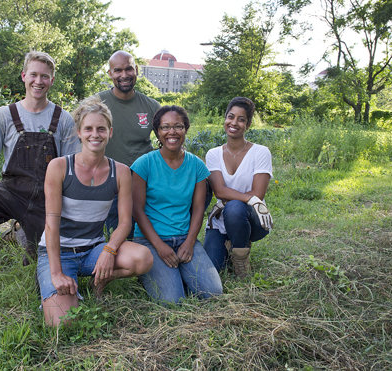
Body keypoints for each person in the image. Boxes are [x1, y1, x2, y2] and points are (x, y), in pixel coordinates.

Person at [0, 51, 80, 274]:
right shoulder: (5, 114)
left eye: (45, 76)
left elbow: (72, 167)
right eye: (33, 75)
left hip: (47, 199)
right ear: (23, 76)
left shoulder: (64, 118)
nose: (38, 81)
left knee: (38, 265)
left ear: (52, 80)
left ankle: (20, 233)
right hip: (11, 192)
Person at [37, 96, 153, 326]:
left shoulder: (120, 172)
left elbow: (124, 223)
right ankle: (53, 279)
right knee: (63, 324)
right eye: (88, 128)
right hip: (61, 252)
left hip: (94, 250)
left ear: (110, 132)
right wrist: (57, 272)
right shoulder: (60, 167)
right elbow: (51, 225)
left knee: (143, 258)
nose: (95, 134)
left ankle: (97, 280)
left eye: (101, 129)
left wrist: (109, 250)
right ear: (79, 132)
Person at [131, 105, 222, 304]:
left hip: (183, 237)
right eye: (165, 127)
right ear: (157, 132)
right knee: (172, 301)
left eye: (178, 126)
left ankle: (178, 271)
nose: (172, 132)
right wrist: (160, 246)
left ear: (186, 129)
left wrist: (189, 243)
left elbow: (198, 208)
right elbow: (137, 210)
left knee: (213, 293)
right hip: (150, 241)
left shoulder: (197, 165)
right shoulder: (143, 164)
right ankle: (157, 272)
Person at [203, 97, 274, 279]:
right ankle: (231, 245)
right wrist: (245, 196)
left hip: (252, 219)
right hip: (221, 221)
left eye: (241, 119)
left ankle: (241, 262)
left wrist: (241, 199)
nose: (234, 123)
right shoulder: (213, 154)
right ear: (225, 119)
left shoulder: (260, 152)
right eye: (231, 117)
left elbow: (257, 195)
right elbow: (219, 190)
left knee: (234, 207)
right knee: (213, 270)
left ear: (248, 125)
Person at [96, 51, 161, 238]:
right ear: (110, 73)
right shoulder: (97, 104)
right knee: (117, 238)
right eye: (118, 70)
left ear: (137, 70)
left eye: (128, 69)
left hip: (145, 183)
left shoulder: (151, 106)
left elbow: (168, 142)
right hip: (109, 184)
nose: (124, 75)